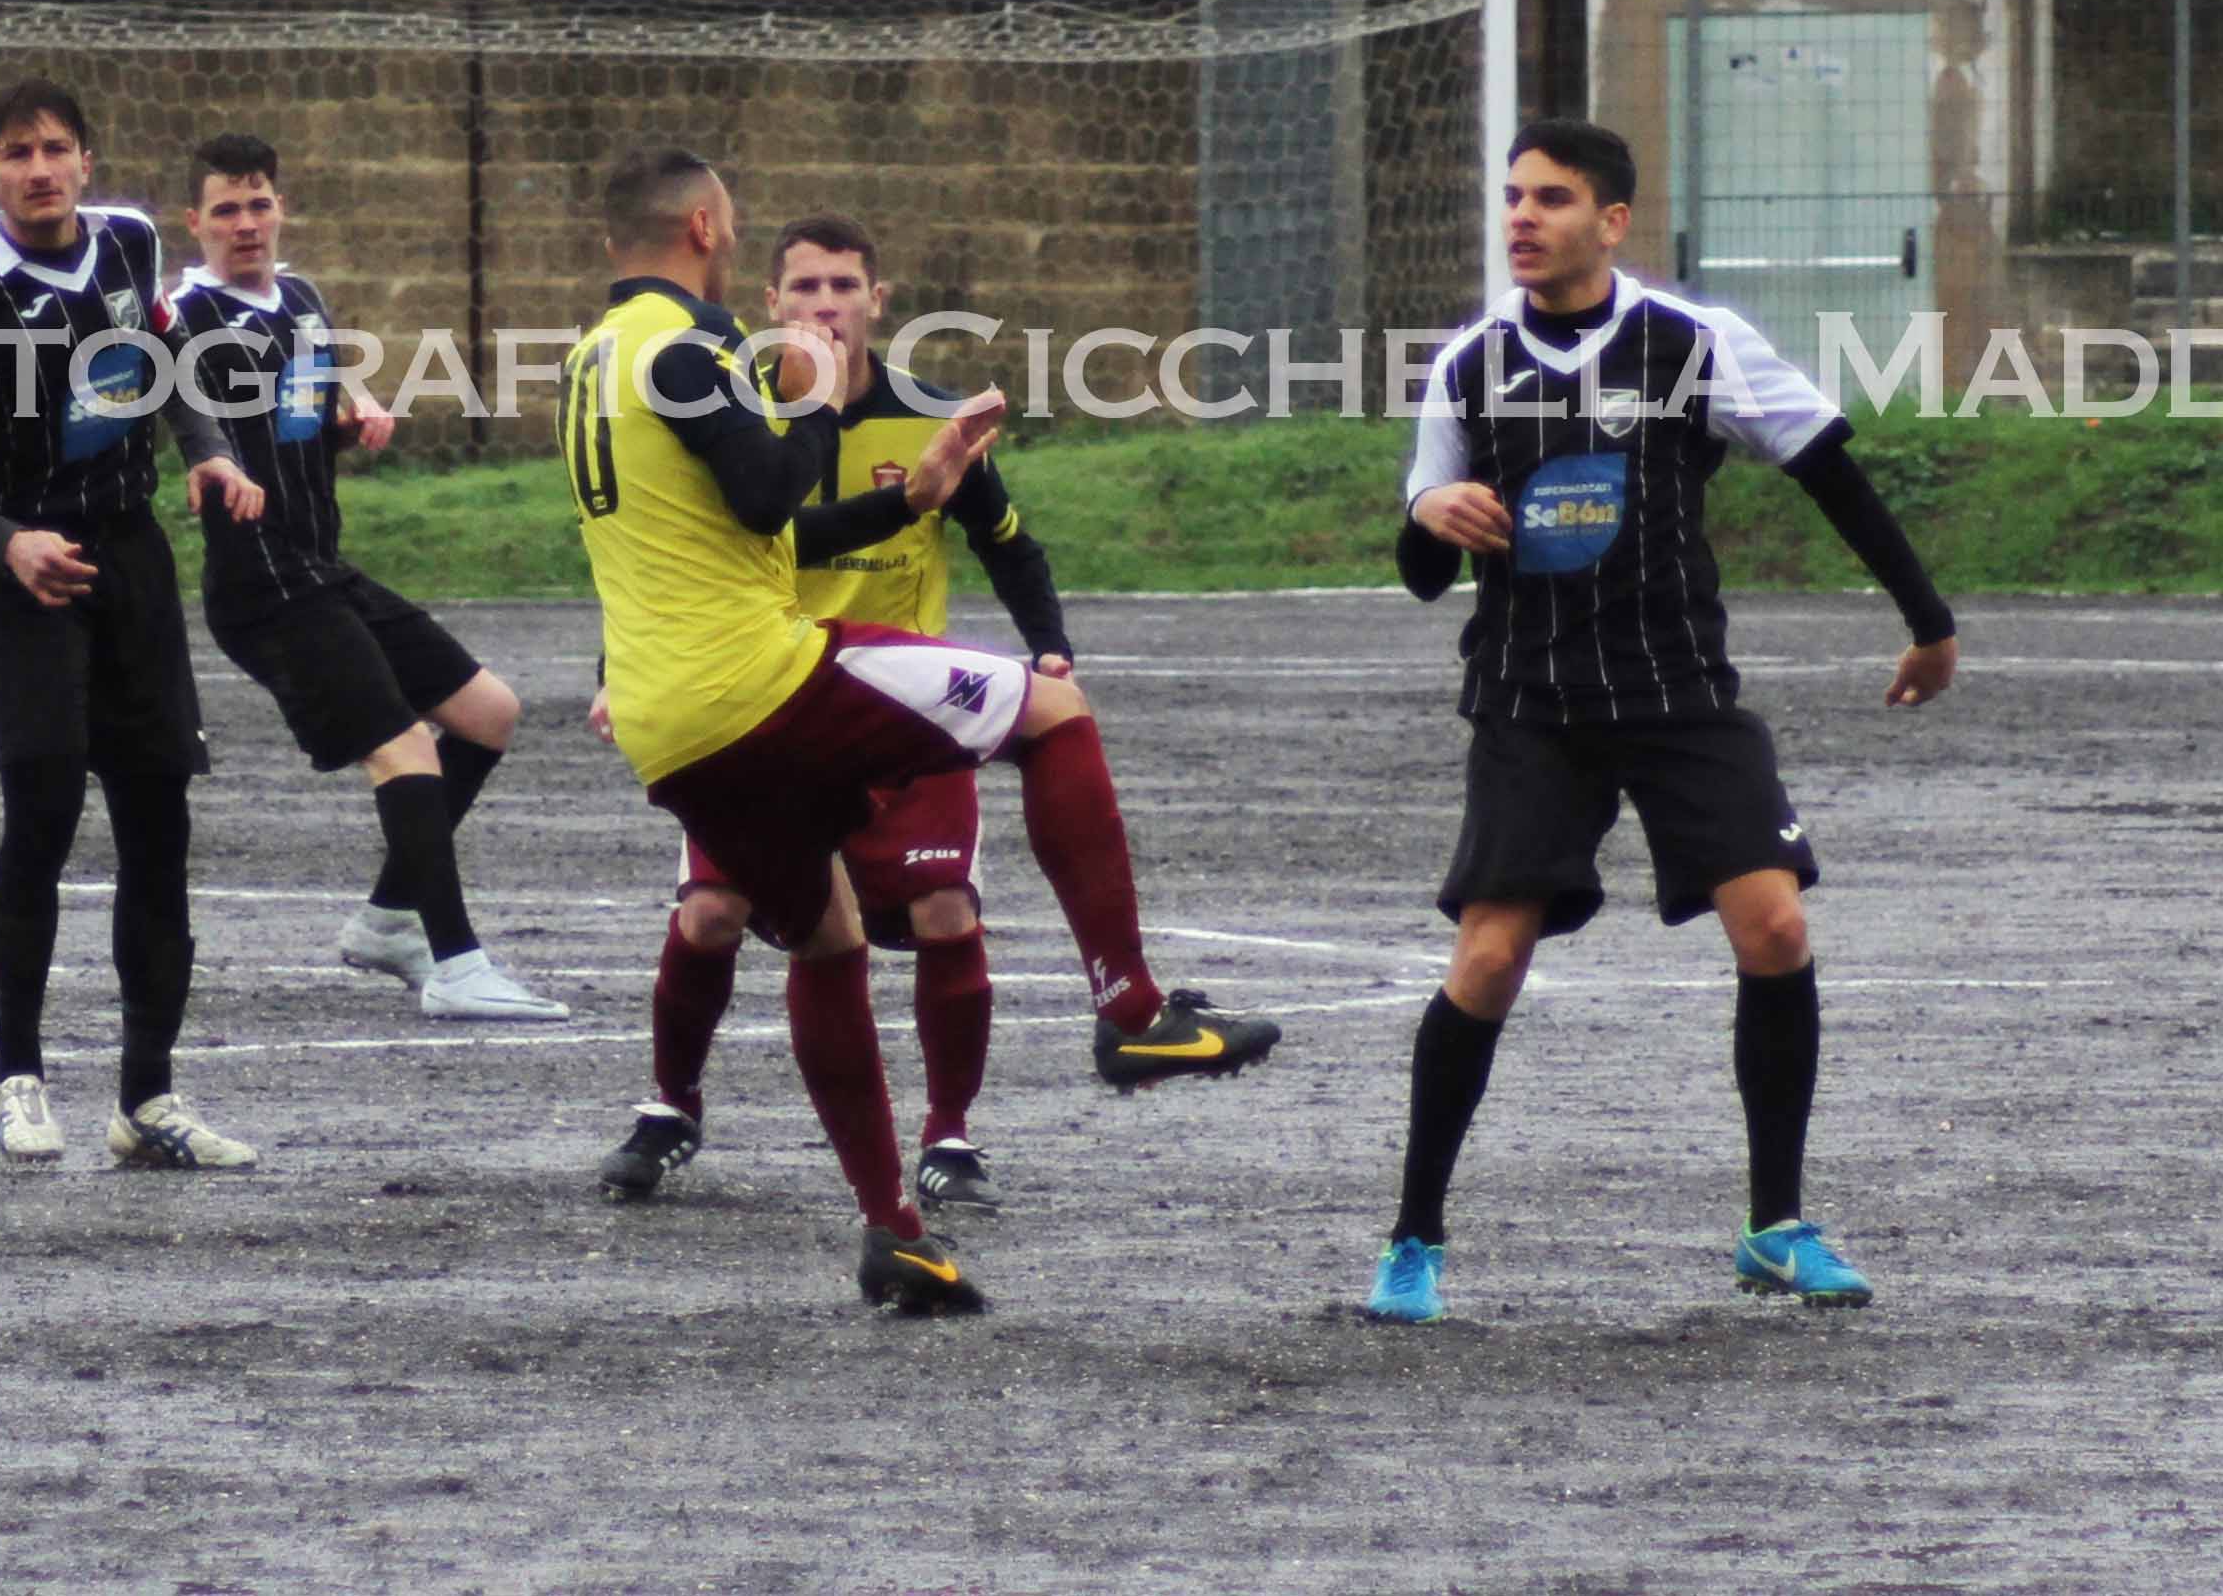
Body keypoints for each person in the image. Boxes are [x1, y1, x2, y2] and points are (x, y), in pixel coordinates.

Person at [564, 149, 1275, 1314]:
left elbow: (746, 536)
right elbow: (766, 500)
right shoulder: (694, 349)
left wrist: (912, 492)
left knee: (830, 940)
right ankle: (1134, 1011)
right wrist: (808, 395)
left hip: (667, 722)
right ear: (703, 224)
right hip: (762, 679)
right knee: (1054, 714)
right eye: (734, 228)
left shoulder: (591, 359)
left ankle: (896, 1230)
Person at [1365, 117, 1957, 1327]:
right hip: (1534, 704)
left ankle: (1776, 1229)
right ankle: (1413, 1239)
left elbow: (1830, 470)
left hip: (1680, 692)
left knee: (1777, 928)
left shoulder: (1694, 343)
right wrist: (1435, 516)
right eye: (1514, 197)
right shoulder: (1470, 365)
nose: (1522, 218)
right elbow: (1421, 571)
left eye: (1553, 199)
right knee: (1486, 960)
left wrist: (1927, 618)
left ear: (1613, 221)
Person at [593, 213, 1086, 1218]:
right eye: (806, 288)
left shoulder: (927, 420)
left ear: (878, 299)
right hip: (762, 700)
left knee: (947, 910)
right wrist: (617, 665)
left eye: (844, 287)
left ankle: (948, 1136)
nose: (826, 306)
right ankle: (670, 1105)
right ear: (770, 304)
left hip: (899, 714)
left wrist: (1047, 647)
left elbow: (1008, 543)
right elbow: (663, 557)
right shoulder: (729, 408)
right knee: (712, 911)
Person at [0, 79, 269, 1174]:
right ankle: (17, 1080)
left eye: (57, 148)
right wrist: (9, 543)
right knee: (45, 814)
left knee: (160, 826)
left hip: (130, 560)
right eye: (17, 152)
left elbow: (161, 362)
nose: (40, 167)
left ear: (87, 161)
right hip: (26, 574)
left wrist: (206, 449)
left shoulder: (131, 244)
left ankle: (147, 1099)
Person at [165, 133, 563, 1022]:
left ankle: (388, 919)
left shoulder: (301, 298)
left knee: (489, 714)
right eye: (225, 209)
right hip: (264, 589)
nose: (245, 223)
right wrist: (210, 463)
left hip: (322, 568)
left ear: (281, 209)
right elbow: (185, 412)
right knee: (405, 747)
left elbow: (295, 420)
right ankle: (456, 962)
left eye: (258, 203)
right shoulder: (181, 318)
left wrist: (351, 414)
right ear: (195, 223)